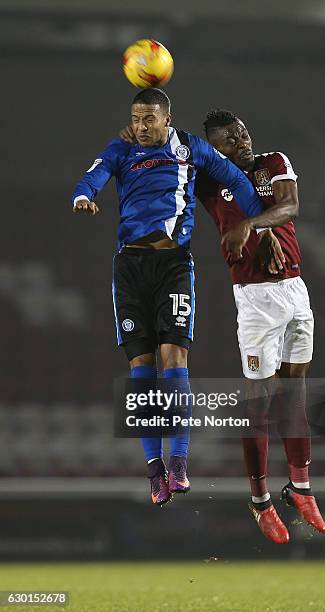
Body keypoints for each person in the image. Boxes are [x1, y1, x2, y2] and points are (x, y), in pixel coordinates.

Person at [71, 89, 286, 508]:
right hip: (130, 270)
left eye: (150, 118)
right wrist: (83, 197)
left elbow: (237, 180)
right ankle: (154, 471)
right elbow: (91, 176)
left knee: (175, 359)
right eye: (137, 118)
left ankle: (180, 463)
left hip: (173, 266)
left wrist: (262, 228)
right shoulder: (121, 148)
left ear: (167, 119)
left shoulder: (190, 148)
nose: (142, 126)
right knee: (142, 370)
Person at [195, 109, 325, 543]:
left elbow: (289, 206)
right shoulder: (209, 180)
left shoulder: (274, 163)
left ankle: (301, 489)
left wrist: (252, 224)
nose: (243, 139)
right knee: (259, 405)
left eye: (243, 131)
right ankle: (260, 501)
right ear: (216, 148)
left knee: (295, 396)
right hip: (254, 298)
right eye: (231, 139)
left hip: (295, 288)